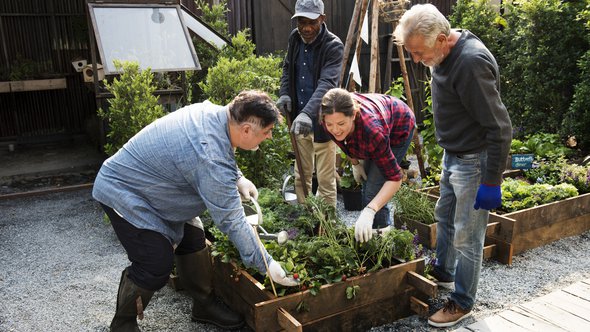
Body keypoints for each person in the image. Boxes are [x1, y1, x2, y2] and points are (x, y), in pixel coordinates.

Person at [92, 90, 298, 331]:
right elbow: (232, 220)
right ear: (245, 130)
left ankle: (204, 305)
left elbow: (219, 151)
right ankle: (123, 323)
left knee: (194, 237)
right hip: (125, 190)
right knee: (155, 263)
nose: (270, 137)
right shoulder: (210, 156)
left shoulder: (216, 115)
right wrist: (267, 264)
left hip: (159, 186)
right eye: (266, 132)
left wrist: (238, 178)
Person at [394, 4, 512, 328]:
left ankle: (462, 302)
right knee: (443, 217)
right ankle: (443, 274)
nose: (417, 60)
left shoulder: (471, 63)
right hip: (453, 155)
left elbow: (500, 128)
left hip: (474, 162)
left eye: (419, 52)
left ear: (443, 39)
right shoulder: (441, 52)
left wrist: (492, 181)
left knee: (467, 237)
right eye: (412, 52)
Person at [320, 88, 416, 243]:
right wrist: (355, 163)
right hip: (380, 122)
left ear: (353, 115)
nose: (335, 129)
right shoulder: (329, 120)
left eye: (341, 123)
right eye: (330, 124)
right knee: (368, 186)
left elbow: (395, 178)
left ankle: (382, 240)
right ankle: (372, 235)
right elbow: (343, 142)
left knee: (373, 191)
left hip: (399, 125)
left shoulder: (372, 132)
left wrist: (370, 210)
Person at [276, 0, 344, 207]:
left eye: (311, 22)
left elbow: (327, 84)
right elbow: (288, 68)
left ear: (322, 19)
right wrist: (285, 93)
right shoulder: (295, 39)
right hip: (299, 118)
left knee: (325, 179)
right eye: (301, 22)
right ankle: (306, 220)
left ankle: (327, 224)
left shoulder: (333, 46)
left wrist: (307, 113)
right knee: (301, 175)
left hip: (324, 120)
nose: (306, 28)